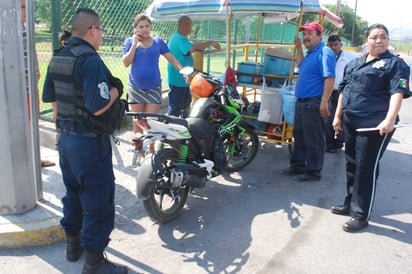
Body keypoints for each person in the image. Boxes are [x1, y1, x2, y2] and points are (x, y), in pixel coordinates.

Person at [42, 8, 128, 273]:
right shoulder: (90, 60)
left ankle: (73, 246)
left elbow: (51, 98)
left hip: (66, 140)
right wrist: (115, 91)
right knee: (98, 202)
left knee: (73, 195)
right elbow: (98, 106)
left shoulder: (59, 56)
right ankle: (95, 263)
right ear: (93, 30)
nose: (101, 36)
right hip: (89, 144)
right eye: (101, 31)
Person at [331, 24, 410, 232]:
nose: (379, 40)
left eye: (383, 37)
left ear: (388, 40)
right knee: (351, 165)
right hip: (351, 121)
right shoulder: (355, 63)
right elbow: (343, 91)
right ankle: (350, 203)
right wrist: (338, 117)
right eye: (374, 37)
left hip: (375, 125)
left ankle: (361, 214)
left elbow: (397, 93)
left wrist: (390, 119)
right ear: (366, 41)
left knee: (366, 168)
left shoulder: (395, 65)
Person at [280, 21, 336, 182]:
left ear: (319, 35)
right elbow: (300, 65)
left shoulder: (325, 52)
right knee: (300, 136)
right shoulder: (311, 53)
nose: (306, 37)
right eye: (304, 34)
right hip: (303, 102)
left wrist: (324, 102)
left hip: (314, 102)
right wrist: (298, 48)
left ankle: (313, 171)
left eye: (310, 33)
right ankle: (297, 166)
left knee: (314, 139)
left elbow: (330, 78)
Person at [122, 13, 183, 148]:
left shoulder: (158, 42)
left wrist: (182, 70)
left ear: (151, 27)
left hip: (154, 87)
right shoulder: (129, 42)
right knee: (137, 122)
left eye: (147, 26)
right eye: (141, 26)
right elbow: (126, 63)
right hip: (135, 88)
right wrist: (134, 44)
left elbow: (171, 58)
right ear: (135, 28)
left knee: (151, 123)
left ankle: (152, 154)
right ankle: (139, 154)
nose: (145, 29)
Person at [20, 0, 55, 168]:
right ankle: (26, 160)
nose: (25, 11)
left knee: (33, 122)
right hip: (19, 87)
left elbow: (31, 50)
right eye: (21, 7)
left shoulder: (26, 29)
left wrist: (36, 70)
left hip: (30, 85)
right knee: (24, 124)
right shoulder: (10, 31)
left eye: (26, 7)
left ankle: (34, 158)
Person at [166, 15, 221, 117]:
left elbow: (193, 48)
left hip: (183, 80)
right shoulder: (180, 39)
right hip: (179, 80)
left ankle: (184, 126)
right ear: (184, 26)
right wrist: (210, 42)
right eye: (190, 27)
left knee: (186, 106)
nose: (191, 30)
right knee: (175, 108)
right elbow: (193, 48)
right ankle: (169, 128)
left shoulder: (176, 37)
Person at [324, 35, 358, 153]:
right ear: (327, 45)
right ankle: (328, 143)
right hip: (329, 91)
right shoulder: (325, 55)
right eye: (331, 45)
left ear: (341, 45)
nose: (333, 47)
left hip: (343, 92)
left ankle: (338, 143)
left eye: (336, 45)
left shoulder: (350, 57)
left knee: (341, 118)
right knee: (328, 117)